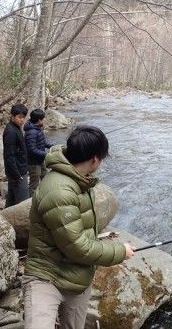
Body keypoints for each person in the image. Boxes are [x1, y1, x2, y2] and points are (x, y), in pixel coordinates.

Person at [23, 125, 135, 329]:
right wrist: (120, 251)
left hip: (77, 278)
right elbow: (77, 247)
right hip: (46, 276)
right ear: (95, 159)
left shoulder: (80, 180)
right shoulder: (60, 191)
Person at [3, 103, 29, 207]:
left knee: (12, 199)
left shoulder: (16, 127)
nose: (22, 120)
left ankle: (4, 220)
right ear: (12, 116)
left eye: (23, 117)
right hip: (17, 172)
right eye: (19, 117)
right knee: (23, 203)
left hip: (17, 170)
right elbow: (9, 155)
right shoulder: (11, 131)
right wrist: (16, 175)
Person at [23, 108, 54, 197]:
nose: (44, 121)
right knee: (34, 184)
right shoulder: (31, 133)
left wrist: (52, 146)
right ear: (39, 120)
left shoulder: (37, 128)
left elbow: (42, 142)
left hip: (40, 160)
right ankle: (31, 202)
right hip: (33, 163)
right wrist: (46, 154)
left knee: (45, 177)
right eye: (43, 119)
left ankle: (45, 196)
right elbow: (32, 149)